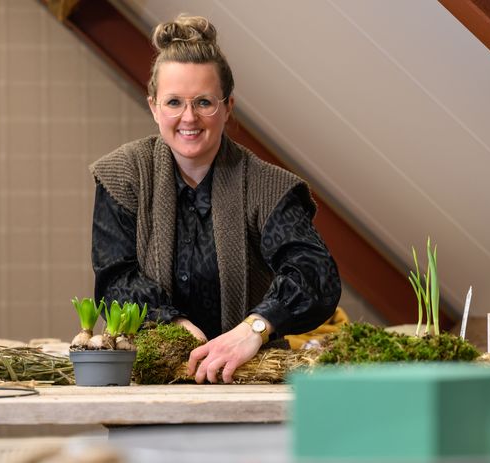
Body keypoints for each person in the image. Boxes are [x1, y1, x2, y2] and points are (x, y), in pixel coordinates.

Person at [90, 14, 341, 384]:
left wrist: (254, 329)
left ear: (228, 106)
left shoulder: (267, 186)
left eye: (204, 102)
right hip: (149, 381)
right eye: (174, 102)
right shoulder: (123, 176)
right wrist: (172, 323)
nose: (188, 118)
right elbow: (115, 280)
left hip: (251, 380)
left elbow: (316, 276)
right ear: (154, 106)